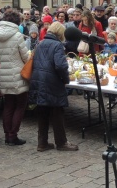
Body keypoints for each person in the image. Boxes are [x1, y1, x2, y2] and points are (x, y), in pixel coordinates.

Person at [29, 22, 79, 151]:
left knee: (43, 113)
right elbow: (61, 66)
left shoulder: (40, 43)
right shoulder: (57, 45)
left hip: (38, 80)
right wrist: (65, 79)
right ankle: (61, 142)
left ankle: (42, 143)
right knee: (57, 113)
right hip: (52, 82)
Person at [0, 10, 30, 146]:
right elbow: (25, 57)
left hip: (4, 72)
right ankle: (13, 135)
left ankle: (7, 134)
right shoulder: (17, 35)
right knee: (20, 105)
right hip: (18, 73)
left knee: (8, 105)